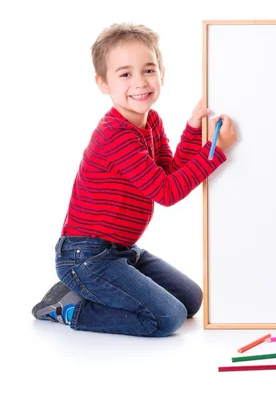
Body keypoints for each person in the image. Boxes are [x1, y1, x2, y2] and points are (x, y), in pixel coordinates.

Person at [31, 23, 237, 337]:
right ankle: (70, 307)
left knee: (191, 300)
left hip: (122, 250)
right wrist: (215, 153)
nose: (140, 82)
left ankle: (105, 288)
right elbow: (167, 192)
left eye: (148, 70)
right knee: (167, 318)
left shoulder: (151, 122)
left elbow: (169, 171)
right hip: (85, 256)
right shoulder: (115, 134)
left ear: (162, 74)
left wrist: (194, 131)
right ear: (103, 83)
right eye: (125, 74)